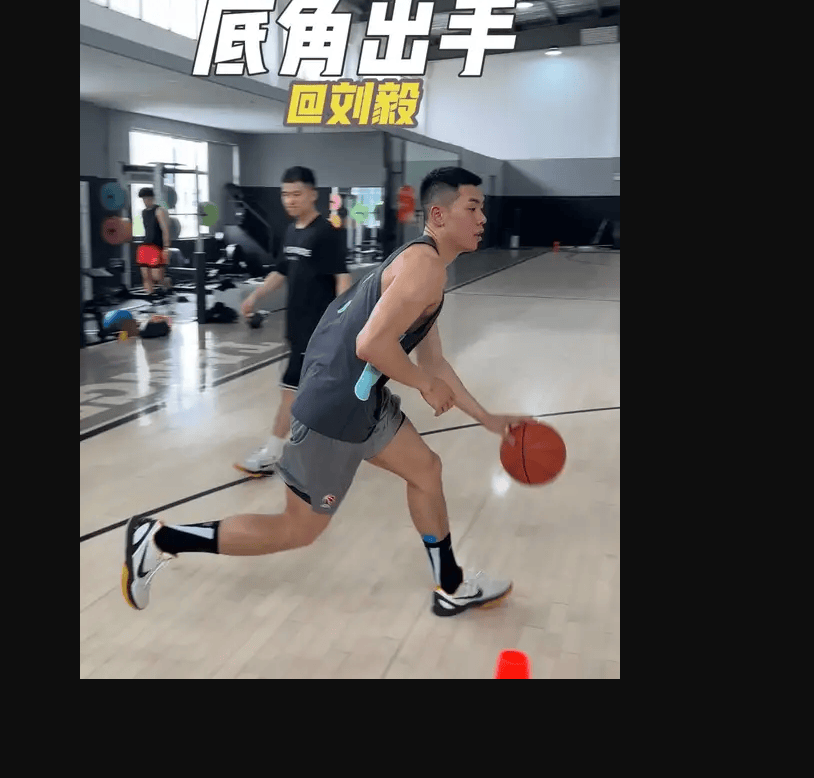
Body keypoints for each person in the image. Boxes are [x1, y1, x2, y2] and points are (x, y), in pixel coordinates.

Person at [122, 166, 529, 617]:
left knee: (426, 470)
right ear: (439, 214)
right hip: (334, 408)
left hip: (361, 400)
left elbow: (434, 362)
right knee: (298, 529)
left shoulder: (425, 264)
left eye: (482, 209)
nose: (482, 219)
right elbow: (372, 345)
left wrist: (485, 417)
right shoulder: (424, 268)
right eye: (473, 208)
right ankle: (159, 539)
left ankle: (450, 585)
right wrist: (423, 385)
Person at [234, 167, 352, 478]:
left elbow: (342, 278)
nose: (290, 200)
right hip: (296, 328)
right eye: (285, 194)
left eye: (297, 194)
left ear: (313, 194)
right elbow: (282, 271)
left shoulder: (326, 233)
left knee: (291, 392)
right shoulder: (291, 231)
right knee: (312, 394)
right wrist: (255, 296)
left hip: (317, 330)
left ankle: (271, 454)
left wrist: (341, 321)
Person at [135, 187, 172, 298]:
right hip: (145, 245)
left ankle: (168, 285)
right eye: (143, 199)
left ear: (152, 198)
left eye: (147, 198)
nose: (145, 201)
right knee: (145, 275)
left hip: (157, 246)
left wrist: (166, 248)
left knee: (157, 277)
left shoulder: (159, 211)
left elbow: (165, 230)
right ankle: (150, 296)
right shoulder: (143, 212)